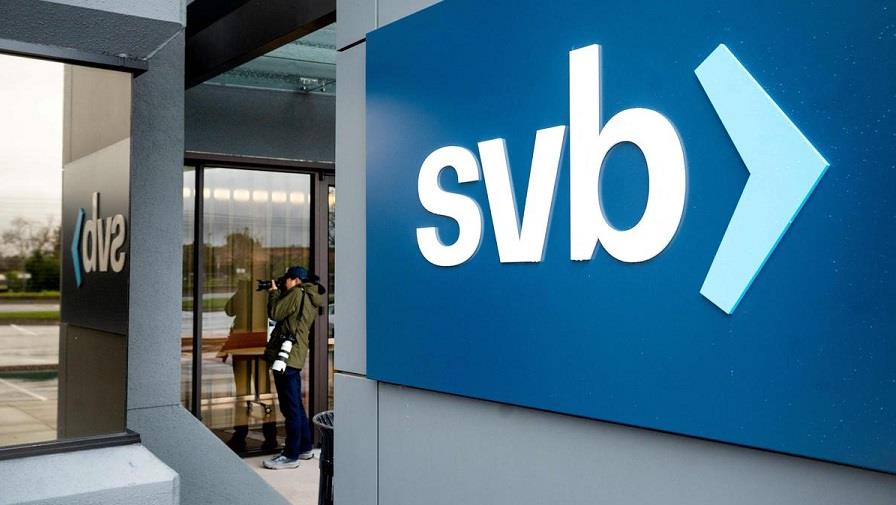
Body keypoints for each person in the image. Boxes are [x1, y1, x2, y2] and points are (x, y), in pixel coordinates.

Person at [262, 266, 325, 470]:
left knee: (290, 408)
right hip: (294, 355)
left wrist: (273, 293)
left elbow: (275, 313)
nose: (284, 283)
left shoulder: (297, 293)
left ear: (296, 280)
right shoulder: (309, 295)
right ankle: (304, 447)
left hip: (286, 357)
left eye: (286, 279)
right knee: (295, 404)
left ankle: (290, 456)